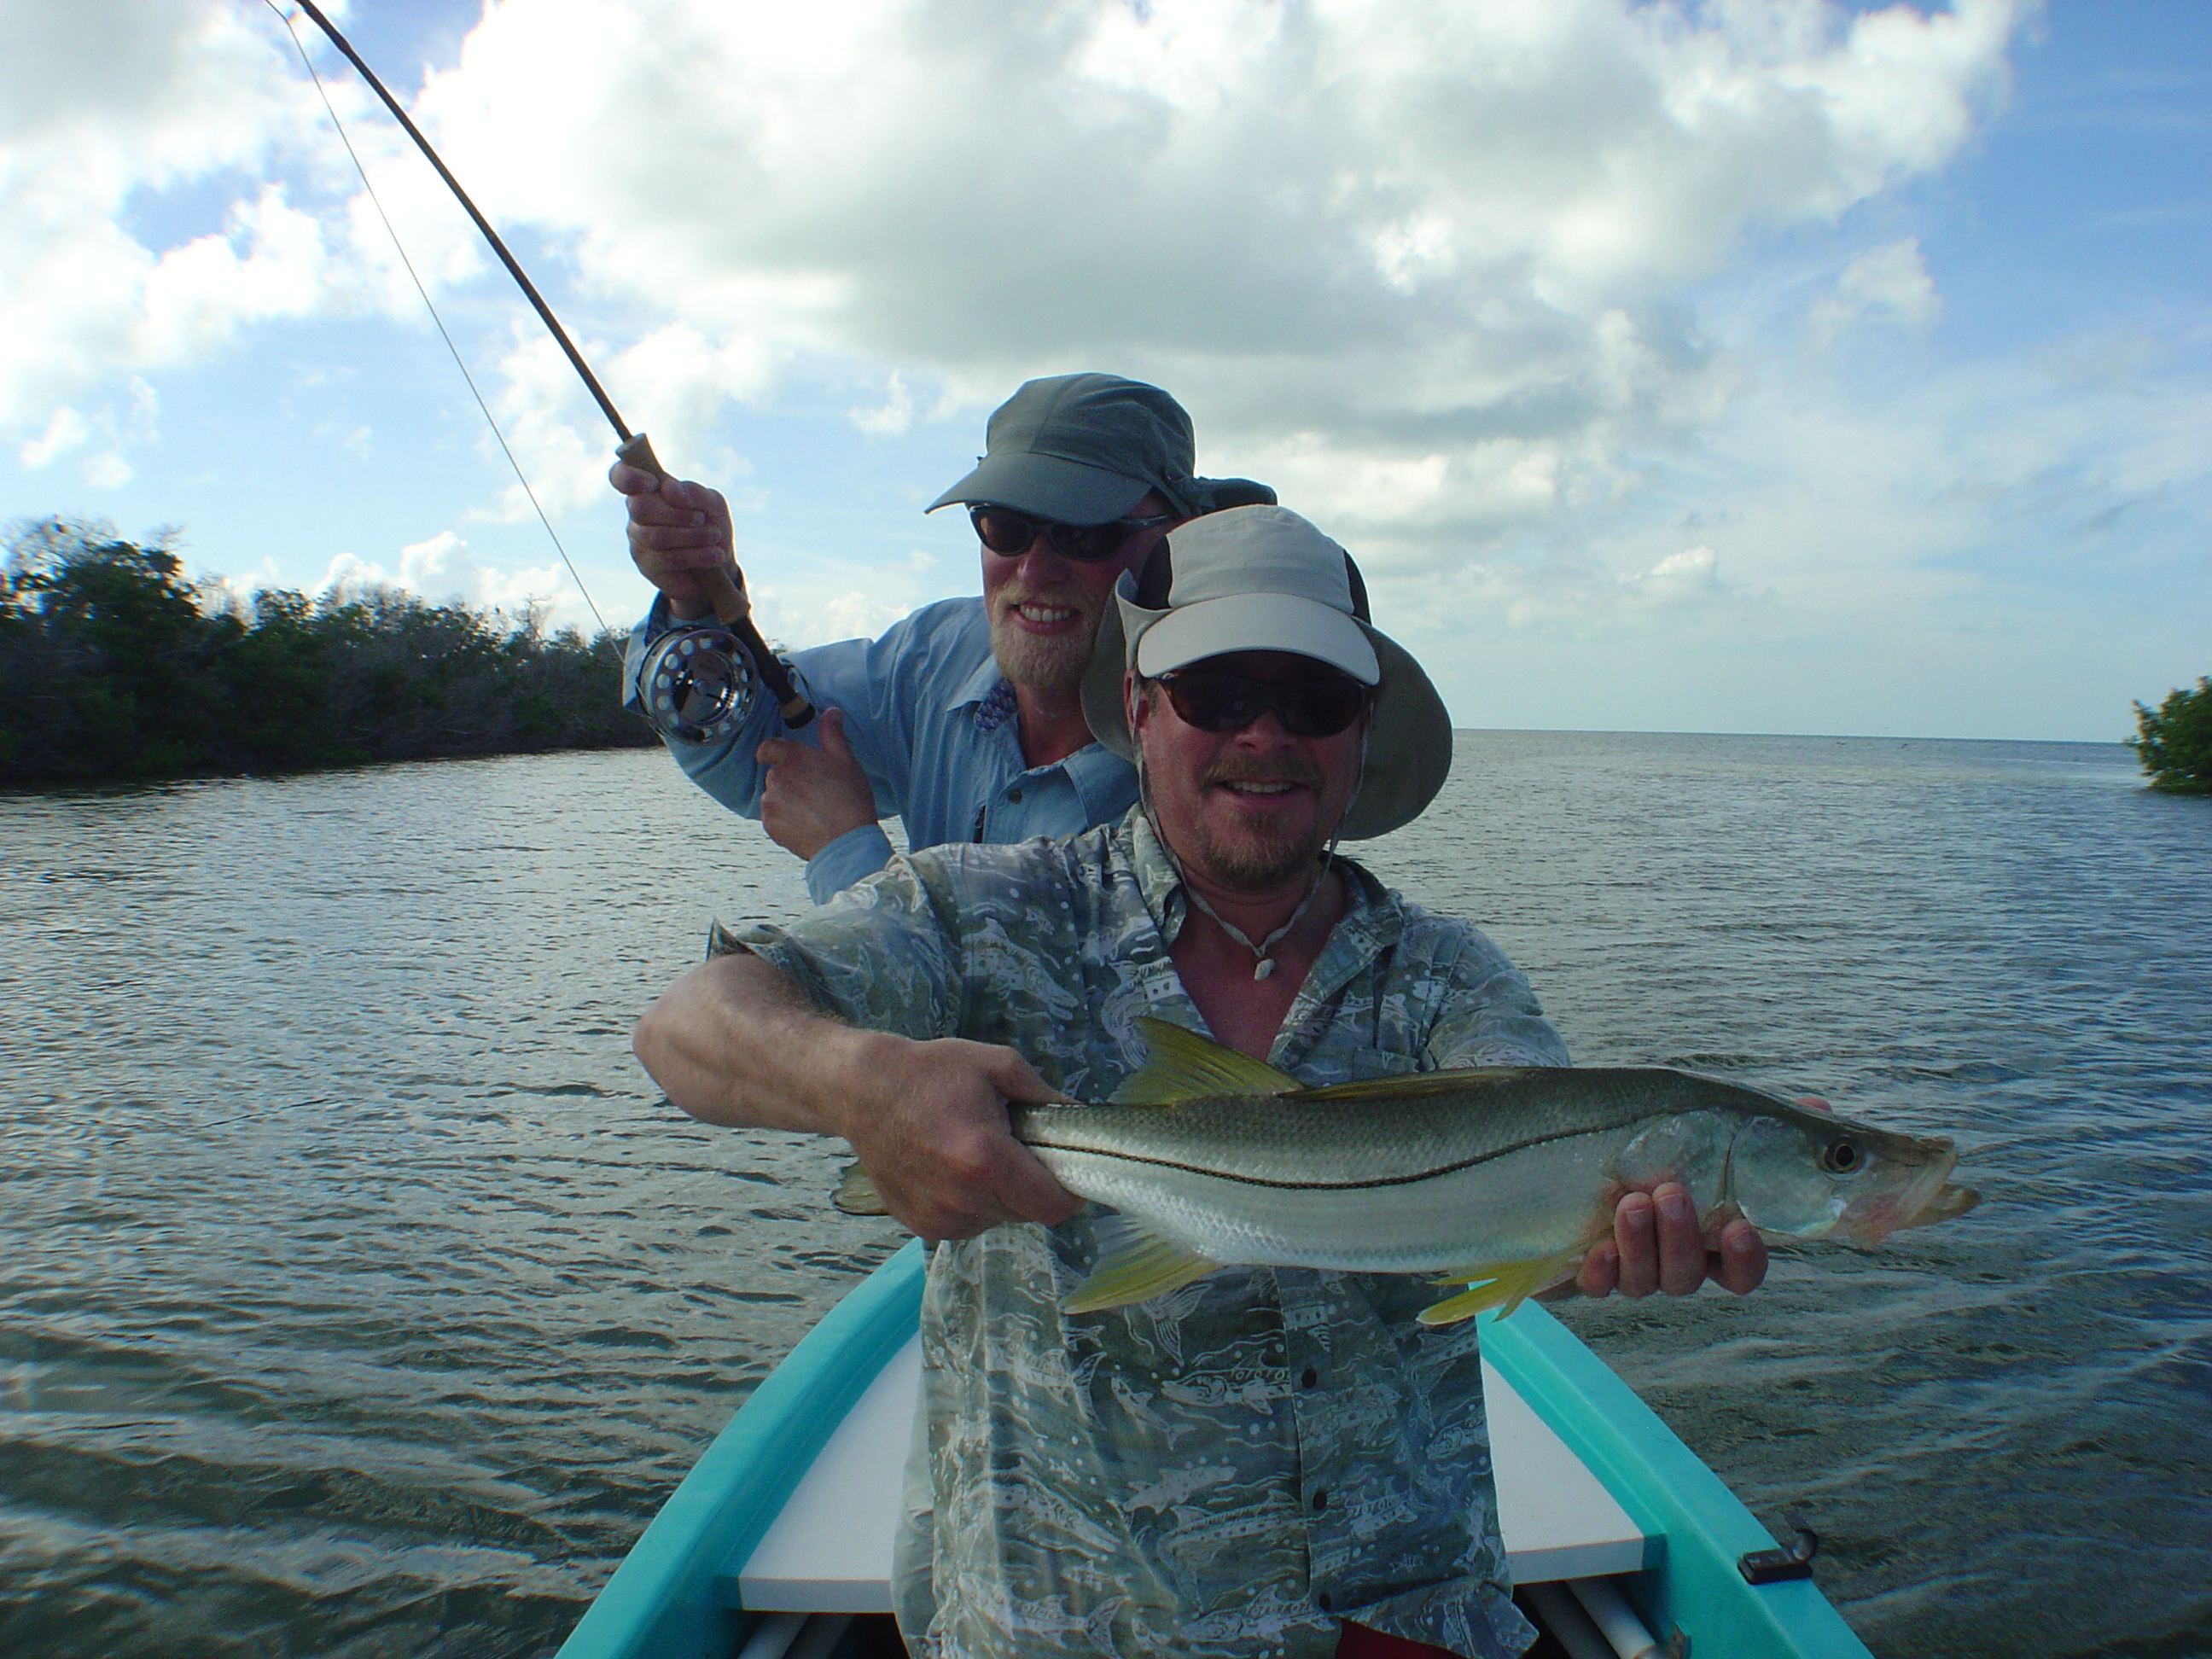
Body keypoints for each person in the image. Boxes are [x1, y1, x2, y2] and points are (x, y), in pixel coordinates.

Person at [631, 507, 1768, 1658]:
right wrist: (860, 1080)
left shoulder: (1448, 979)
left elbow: (1535, 1180)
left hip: (1404, 1624)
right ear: (1136, 705)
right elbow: (690, 1024)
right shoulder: (977, 911)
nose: (1265, 736)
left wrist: (1608, 1242)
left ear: (1361, 732)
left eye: (1312, 700)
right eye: (1218, 693)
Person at [614, 372, 1272, 904]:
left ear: (1178, 535)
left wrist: (847, 853)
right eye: (1005, 527)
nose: (1036, 570)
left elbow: (1017, 1027)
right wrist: (696, 603)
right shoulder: (932, 655)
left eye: (1086, 533)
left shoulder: (1215, 752)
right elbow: (747, 755)